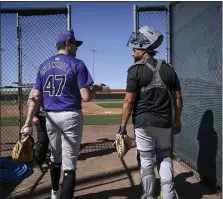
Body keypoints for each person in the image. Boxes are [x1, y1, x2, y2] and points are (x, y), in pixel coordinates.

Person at [21, 29, 104, 199]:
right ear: (68, 44)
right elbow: (86, 97)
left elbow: (36, 96)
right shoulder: (77, 64)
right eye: (74, 44)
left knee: (55, 157)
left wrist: (28, 122)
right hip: (70, 116)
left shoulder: (44, 65)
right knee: (69, 164)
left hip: (51, 117)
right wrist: (96, 89)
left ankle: (54, 193)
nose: (76, 48)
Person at [117, 26, 183, 199]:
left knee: (146, 160)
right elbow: (178, 98)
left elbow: (128, 101)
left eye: (135, 48)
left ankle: (149, 195)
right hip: (165, 123)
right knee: (164, 156)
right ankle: (168, 194)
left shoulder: (134, 70)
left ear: (144, 48)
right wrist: (178, 120)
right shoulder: (169, 69)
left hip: (143, 123)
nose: (132, 53)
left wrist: (122, 127)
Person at [27, 87, 49, 170]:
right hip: (40, 116)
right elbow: (30, 102)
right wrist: (33, 116)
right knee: (42, 139)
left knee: (47, 139)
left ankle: (43, 159)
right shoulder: (36, 87)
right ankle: (35, 161)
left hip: (50, 116)